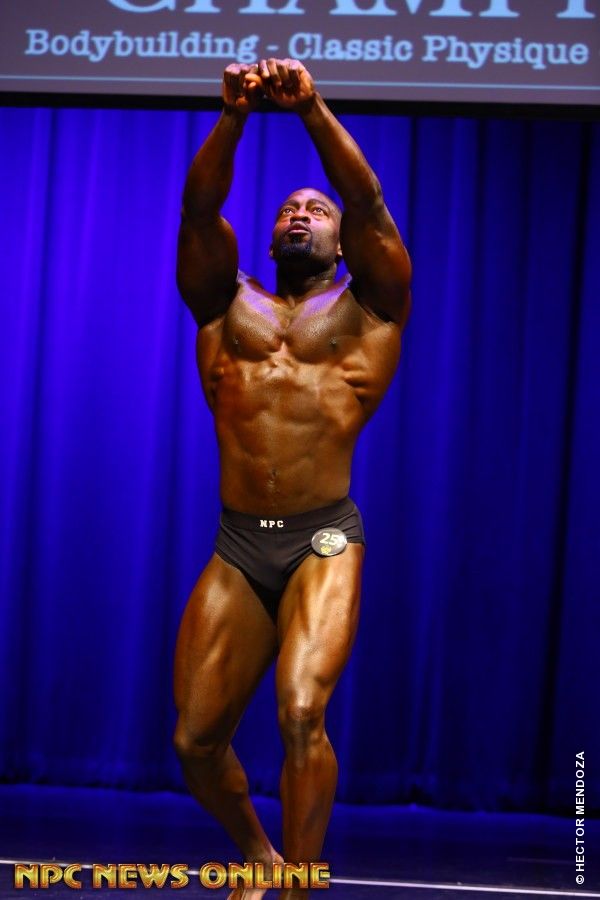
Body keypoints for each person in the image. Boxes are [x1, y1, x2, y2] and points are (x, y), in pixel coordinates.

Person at [173, 58, 411, 899]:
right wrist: (235, 115)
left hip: (324, 539)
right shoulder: (221, 303)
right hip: (238, 544)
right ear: (268, 236)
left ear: (343, 243)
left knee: (302, 711)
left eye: (316, 210)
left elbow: (369, 201)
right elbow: (198, 208)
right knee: (195, 741)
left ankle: (301, 888)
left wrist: (309, 108)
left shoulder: (372, 306)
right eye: (288, 209)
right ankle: (258, 856)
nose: (301, 214)